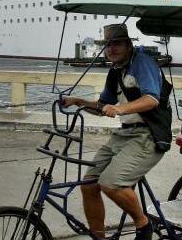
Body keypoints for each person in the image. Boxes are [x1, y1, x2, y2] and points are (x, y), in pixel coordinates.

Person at [62, 24, 171, 240]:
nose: (111, 49)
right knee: (89, 184)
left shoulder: (142, 63)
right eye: (108, 45)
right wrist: (78, 101)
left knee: (111, 183)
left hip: (149, 135)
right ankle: (99, 237)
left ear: (129, 45)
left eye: (117, 43)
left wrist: (120, 108)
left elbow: (151, 99)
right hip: (124, 135)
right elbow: (103, 106)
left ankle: (143, 224)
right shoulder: (115, 71)